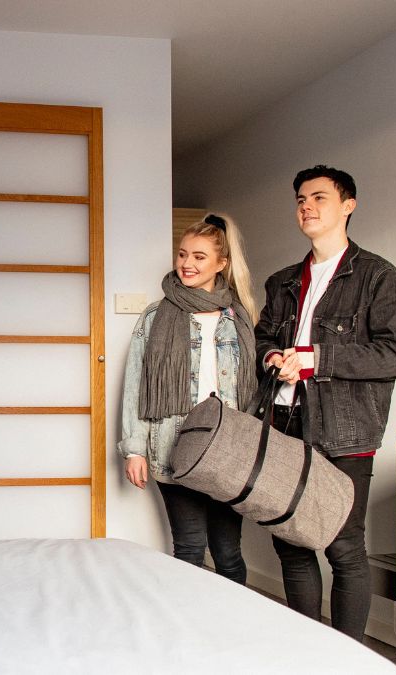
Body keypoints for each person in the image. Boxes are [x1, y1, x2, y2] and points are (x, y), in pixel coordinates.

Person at [255, 165, 396, 640]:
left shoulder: (377, 276)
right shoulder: (282, 281)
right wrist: (272, 356)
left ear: (348, 205)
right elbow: (264, 337)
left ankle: (348, 659)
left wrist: (315, 358)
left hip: (345, 430)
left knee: (344, 548)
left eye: (319, 198)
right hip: (283, 421)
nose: (306, 206)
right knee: (290, 541)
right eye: (301, 199)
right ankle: (309, 652)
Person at [119, 213, 259, 584]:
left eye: (199, 256)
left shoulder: (239, 318)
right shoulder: (155, 316)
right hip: (171, 443)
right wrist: (134, 449)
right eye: (183, 254)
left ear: (221, 263)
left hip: (227, 449)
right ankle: (188, 630)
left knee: (228, 553)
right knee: (189, 548)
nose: (187, 264)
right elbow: (136, 382)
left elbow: (251, 392)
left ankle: (231, 627)